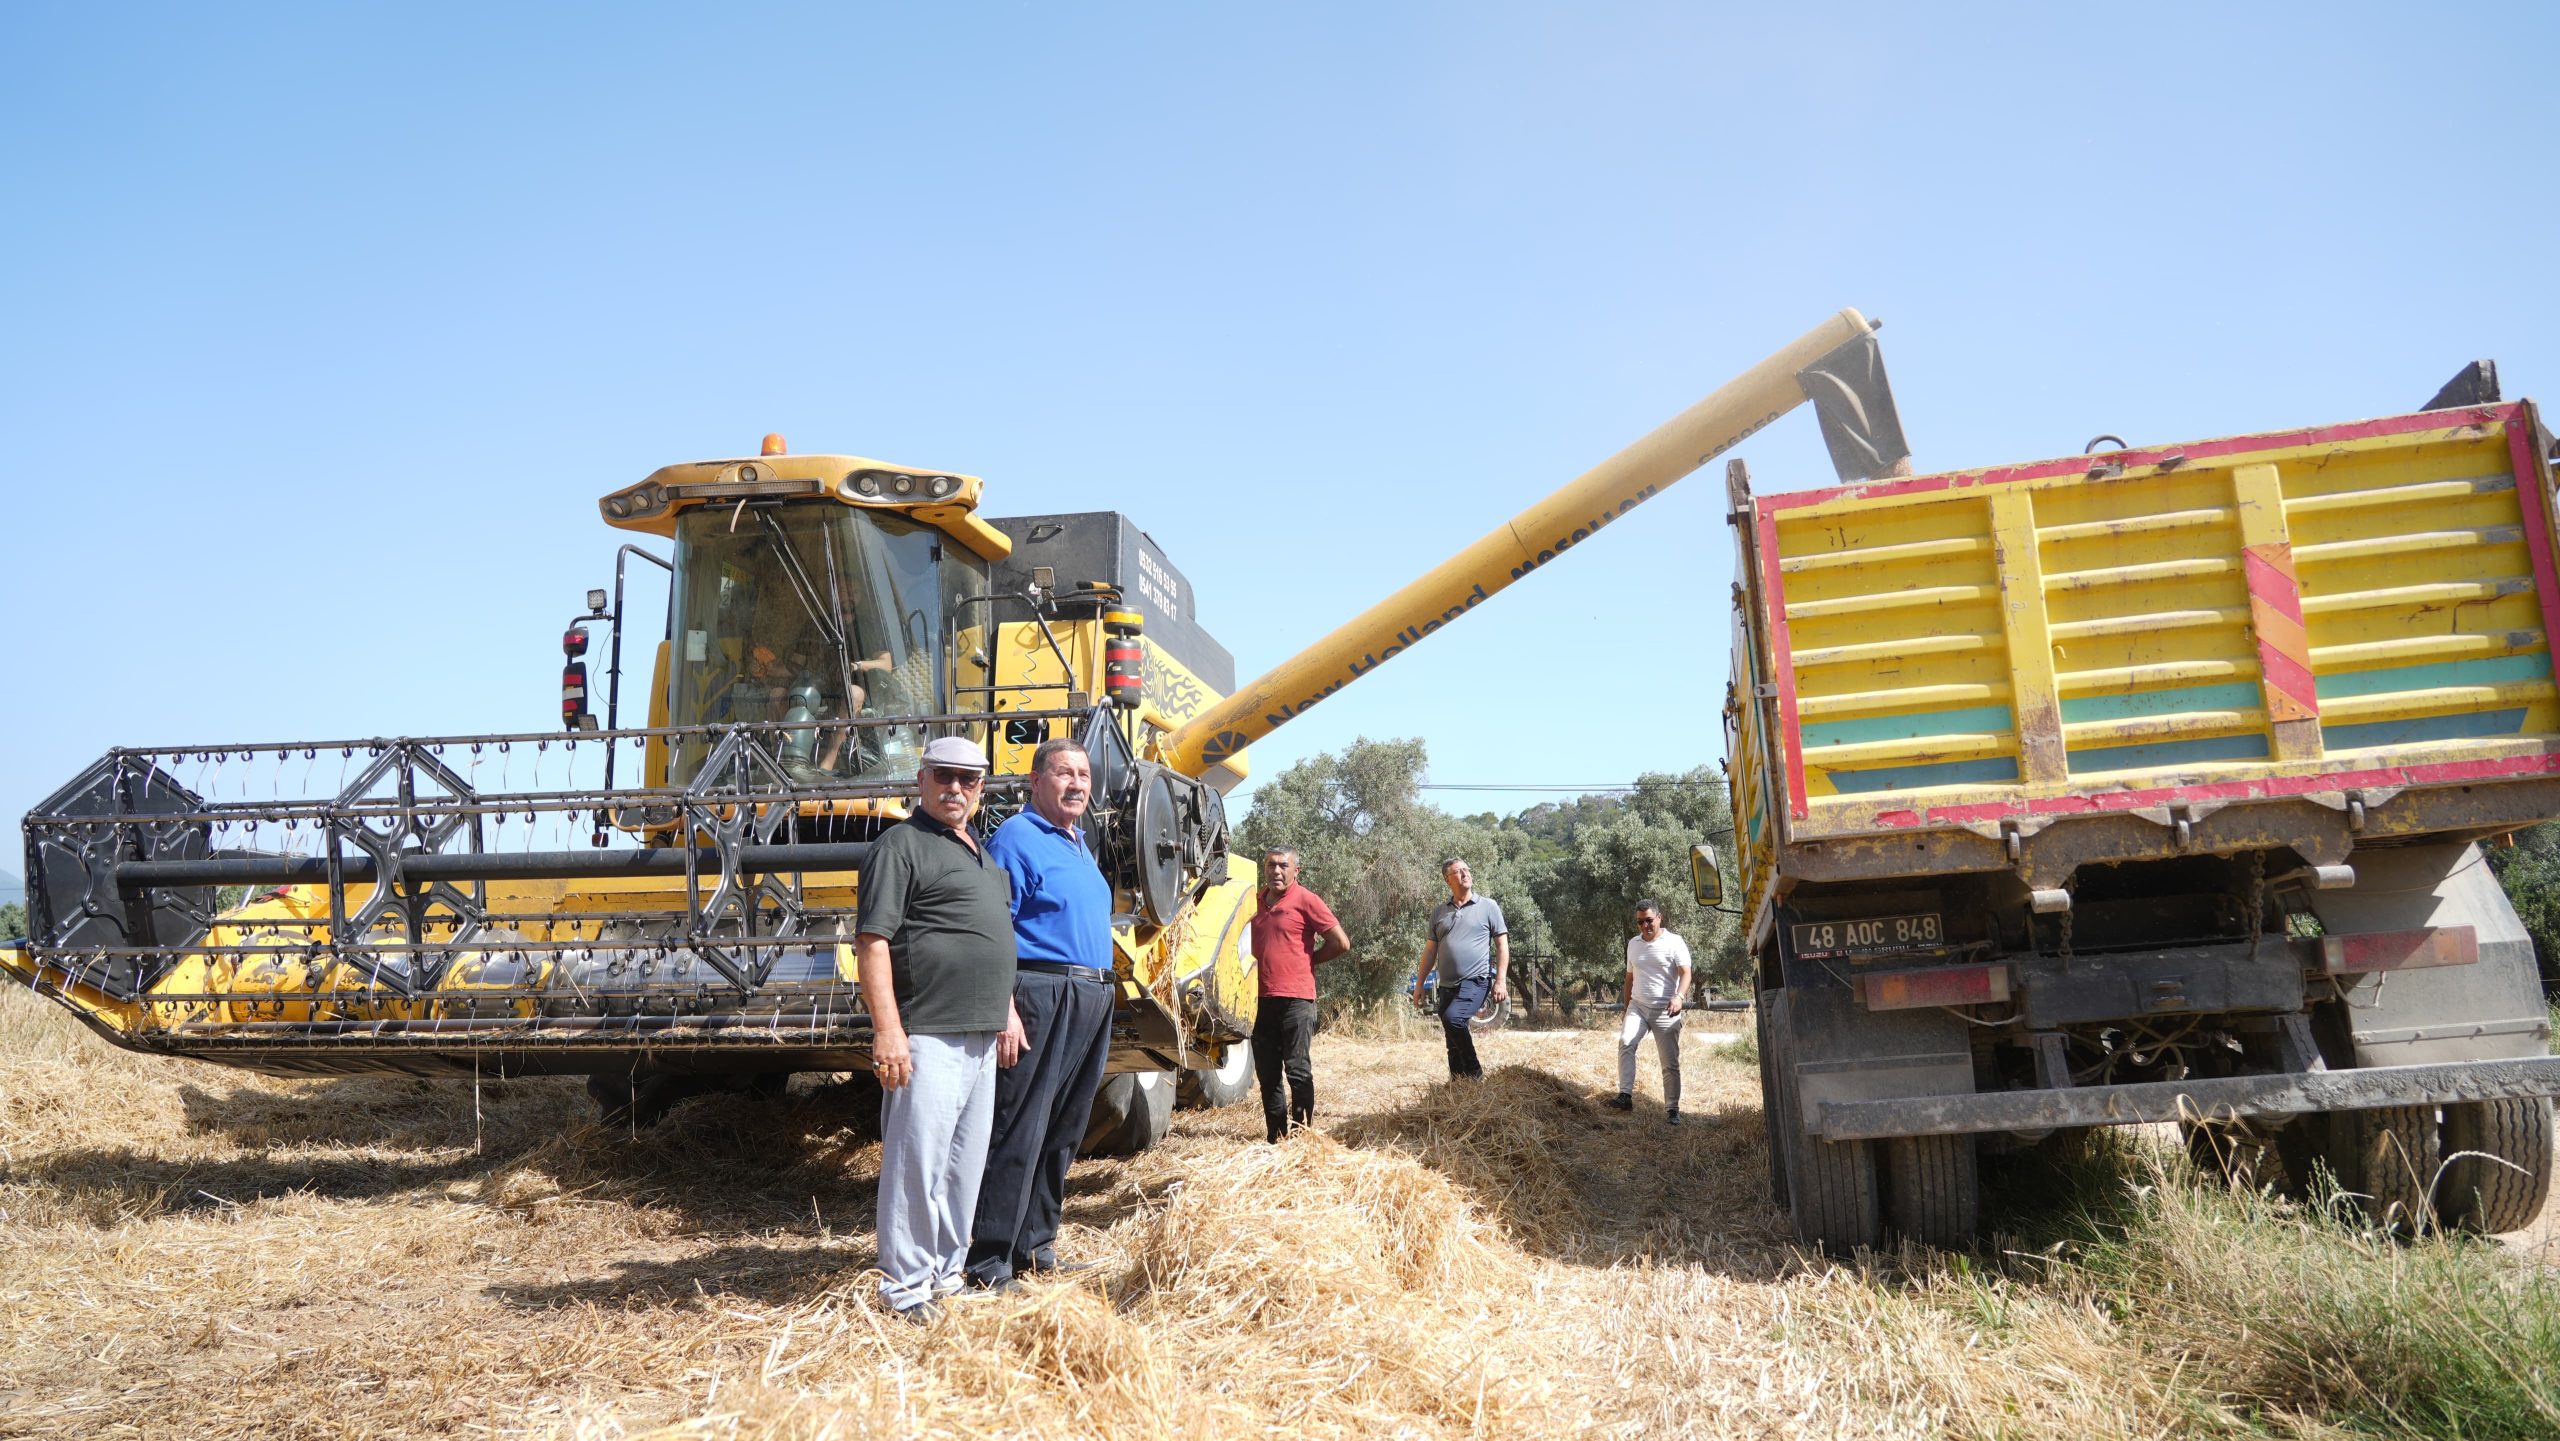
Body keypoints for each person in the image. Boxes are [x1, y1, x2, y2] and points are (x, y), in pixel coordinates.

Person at [855, 735, 1022, 1322]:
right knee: (916, 1165)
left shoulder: (980, 852)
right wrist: (888, 1031)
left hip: (980, 1034)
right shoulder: (899, 846)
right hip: (927, 1030)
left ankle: (946, 1278)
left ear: (981, 789)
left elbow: (990, 939)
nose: (956, 788)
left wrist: (1005, 1008)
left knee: (962, 1167)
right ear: (921, 779)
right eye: (944, 776)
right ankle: (904, 1289)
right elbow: (872, 943)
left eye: (967, 779)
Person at [966, 739, 1118, 1290]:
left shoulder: (1079, 842)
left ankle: (1034, 1246)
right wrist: (1004, 1006)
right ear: (1035, 781)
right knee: (1020, 1126)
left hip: (1091, 994)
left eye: (1084, 774)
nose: (1077, 783)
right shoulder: (1016, 837)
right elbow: (992, 929)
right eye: (1063, 773)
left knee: (1065, 1128)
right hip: (1041, 991)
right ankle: (988, 1262)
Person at [1248, 847, 1352, 1142]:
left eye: (1283, 866)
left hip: (1296, 999)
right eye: (1271, 865)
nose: (1276, 871)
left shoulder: (1307, 900)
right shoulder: (1253, 902)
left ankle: (1302, 1136)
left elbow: (1341, 943)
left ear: (1296, 871)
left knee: (1297, 1070)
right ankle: (1276, 1138)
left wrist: (1309, 960)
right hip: (1259, 999)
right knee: (1267, 1073)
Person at [1410, 857, 1508, 1079]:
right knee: (1451, 1040)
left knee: (1453, 1019)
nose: (1465, 874)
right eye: (1458, 871)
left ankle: (1475, 1073)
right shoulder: (1439, 912)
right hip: (1447, 985)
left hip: (1476, 980)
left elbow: (1502, 945)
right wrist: (1419, 984)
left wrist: (1501, 980)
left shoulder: (1488, 906)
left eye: (1466, 869)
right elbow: (1430, 952)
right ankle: (1458, 1085)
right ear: (1448, 880)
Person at [1609, 900, 1693, 1125]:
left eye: (1649, 920)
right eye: (1640, 922)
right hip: (1638, 1006)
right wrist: (1626, 1008)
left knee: (1669, 1062)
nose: (1645, 926)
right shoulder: (1633, 944)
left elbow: (1686, 973)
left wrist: (1679, 997)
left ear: (1659, 918)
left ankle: (1672, 1109)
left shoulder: (1674, 942)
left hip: (1666, 1009)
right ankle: (1625, 1095)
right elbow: (1629, 978)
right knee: (1626, 1042)